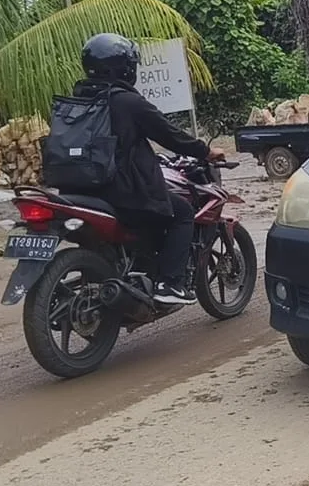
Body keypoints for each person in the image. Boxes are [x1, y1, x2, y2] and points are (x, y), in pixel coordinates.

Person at [75, 33, 225, 305]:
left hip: (83, 190)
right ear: (124, 68)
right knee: (182, 213)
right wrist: (205, 151)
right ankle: (170, 284)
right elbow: (168, 134)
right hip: (123, 191)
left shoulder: (79, 101)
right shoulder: (127, 102)